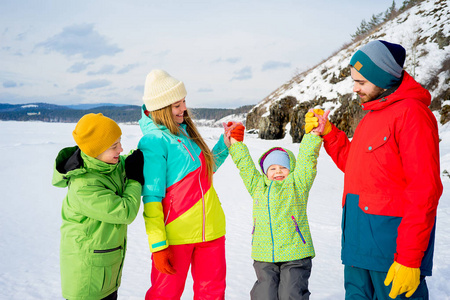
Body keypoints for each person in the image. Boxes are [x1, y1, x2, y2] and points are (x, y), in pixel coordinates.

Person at [305, 40, 443, 299]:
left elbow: (424, 191)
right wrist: (329, 133)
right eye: (354, 81)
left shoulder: (412, 114)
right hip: (358, 247)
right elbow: (357, 166)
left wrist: (410, 258)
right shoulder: (371, 116)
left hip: (390, 253)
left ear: (383, 78)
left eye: (361, 82)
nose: (354, 89)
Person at [138, 69, 230, 299]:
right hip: (176, 236)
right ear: (161, 108)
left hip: (212, 232)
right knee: (165, 295)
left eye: (184, 102)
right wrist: (158, 245)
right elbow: (152, 197)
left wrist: (225, 144)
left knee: (213, 294)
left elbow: (204, 171)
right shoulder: (154, 141)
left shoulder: (186, 133)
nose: (183, 109)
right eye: (176, 105)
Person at [52, 113, 144, 300]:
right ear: (95, 150)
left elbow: (125, 162)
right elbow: (125, 211)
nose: (121, 149)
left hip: (105, 274)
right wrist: (134, 180)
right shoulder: (84, 186)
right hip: (87, 282)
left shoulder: (108, 164)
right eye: (114, 146)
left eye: (119, 142)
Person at [227, 121, 322, 299]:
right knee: (265, 294)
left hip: (295, 253)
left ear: (291, 169)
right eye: (272, 168)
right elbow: (245, 167)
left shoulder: (298, 184)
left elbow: (307, 161)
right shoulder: (258, 186)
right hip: (264, 252)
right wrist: (236, 143)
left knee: (290, 294)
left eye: (283, 167)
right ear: (265, 172)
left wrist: (313, 136)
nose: (278, 171)